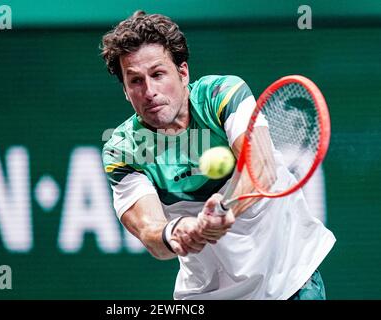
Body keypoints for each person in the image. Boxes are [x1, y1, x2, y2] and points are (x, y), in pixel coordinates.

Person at [100, 10, 336, 300]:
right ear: (125, 90)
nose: (149, 91)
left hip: (289, 278)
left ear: (183, 72)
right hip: (208, 292)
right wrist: (177, 232)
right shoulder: (123, 149)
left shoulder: (222, 94)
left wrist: (225, 210)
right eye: (135, 81)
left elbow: (260, 167)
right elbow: (150, 231)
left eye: (158, 74)